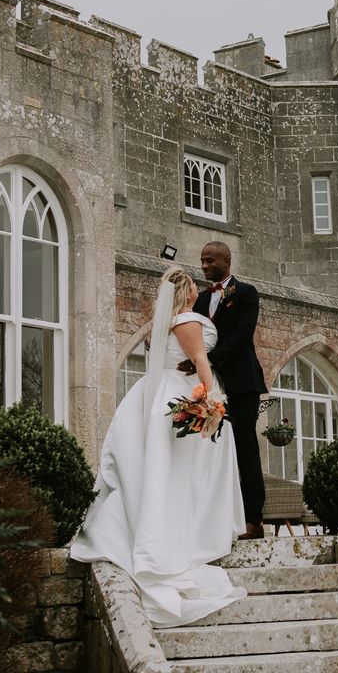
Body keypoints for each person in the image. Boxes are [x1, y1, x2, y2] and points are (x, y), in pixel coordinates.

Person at [70, 266, 247, 627]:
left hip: (163, 394)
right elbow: (199, 361)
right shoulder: (187, 319)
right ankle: (181, 536)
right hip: (183, 395)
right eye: (194, 286)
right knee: (184, 473)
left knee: (168, 472)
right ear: (187, 291)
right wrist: (211, 399)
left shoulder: (164, 322)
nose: (198, 290)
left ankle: (178, 528)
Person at [188, 241, 268, 539]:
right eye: (202, 260)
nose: (205, 265)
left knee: (245, 448)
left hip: (241, 384)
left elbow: (242, 336)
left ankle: (253, 520)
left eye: (210, 260)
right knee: (210, 447)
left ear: (227, 260)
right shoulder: (199, 300)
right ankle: (215, 517)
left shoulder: (246, 293)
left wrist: (207, 361)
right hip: (208, 387)